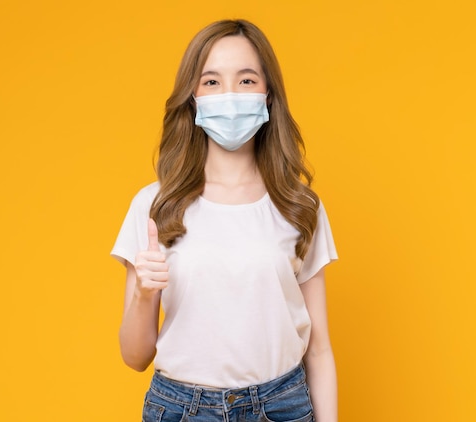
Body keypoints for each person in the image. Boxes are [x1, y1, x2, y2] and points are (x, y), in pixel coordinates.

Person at [111, 19, 338, 422]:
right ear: (193, 98)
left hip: (282, 405)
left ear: (269, 96)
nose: (230, 94)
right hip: (182, 410)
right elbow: (134, 356)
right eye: (212, 82)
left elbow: (319, 349)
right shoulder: (154, 205)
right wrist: (145, 295)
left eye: (247, 80)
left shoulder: (299, 205)